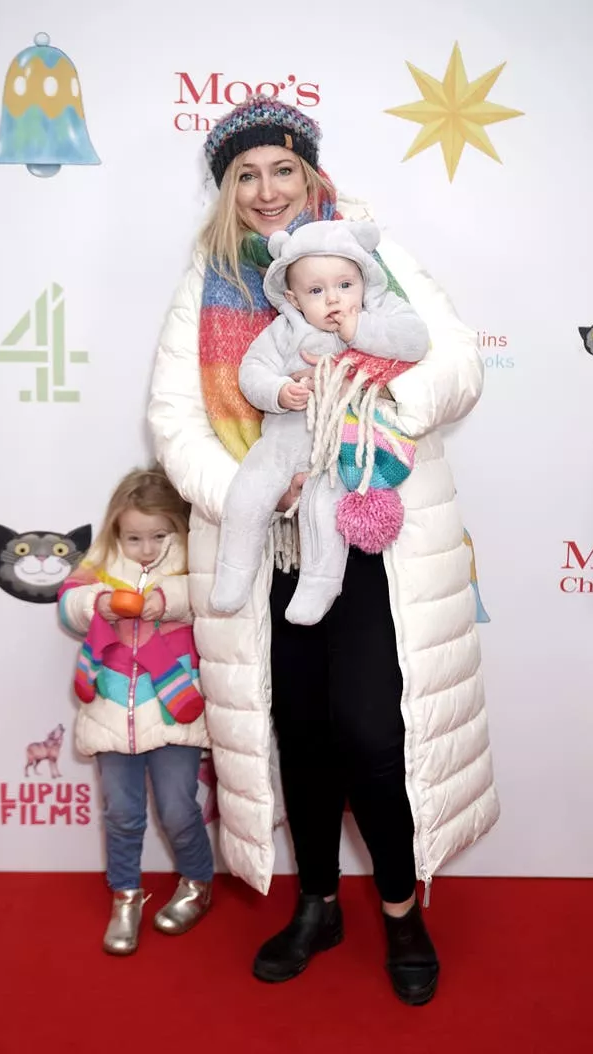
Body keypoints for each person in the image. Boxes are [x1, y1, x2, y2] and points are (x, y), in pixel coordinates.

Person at [148, 94, 499, 1006]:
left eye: (282, 170)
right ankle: (315, 904)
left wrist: (365, 420)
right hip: (269, 543)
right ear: (227, 189)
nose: (267, 191)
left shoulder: (364, 254)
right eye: (246, 176)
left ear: (309, 173)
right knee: (298, 734)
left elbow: (452, 362)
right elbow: (174, 421)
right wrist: (254, 493)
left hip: (372, 532)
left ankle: (396, 907)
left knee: (375, 736)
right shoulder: (209, 280)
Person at [210, 218, 429, 625]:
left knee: (324, 508)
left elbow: (416, 340)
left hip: (339, 444)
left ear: (364, 280)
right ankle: (233, 573)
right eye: (316, 291)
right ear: (292, 299)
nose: (333, 300)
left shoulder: (379, 314)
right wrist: (277, 391)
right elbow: (252, 370)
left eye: (345, 285)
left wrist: (358, 329)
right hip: (282, 438)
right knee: (247, 493)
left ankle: (320, 584)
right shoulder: (284, 330)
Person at [58, 467, 213, 955]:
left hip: (172, 714)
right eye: (134, 538)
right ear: (116, 533)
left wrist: (167, 601)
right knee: (122, 814)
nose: (145, 549)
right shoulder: (101, 563)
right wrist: (96, 604)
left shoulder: (196, 564)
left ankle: (196, 883)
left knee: (177, 810)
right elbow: (68, 602)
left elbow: (212, 597)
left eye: (158, 536)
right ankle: (126, 895)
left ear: (178, 529)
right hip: (109, 714)